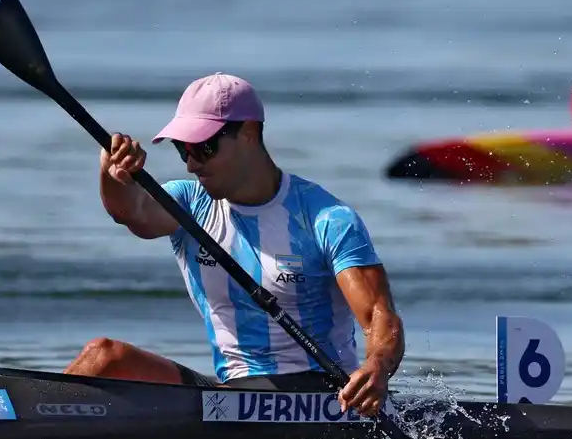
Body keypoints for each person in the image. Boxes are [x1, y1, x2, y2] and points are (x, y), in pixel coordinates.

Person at [61, 72, 406, 418]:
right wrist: (113, 174)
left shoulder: (326, 218)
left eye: (204, 148)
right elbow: (131, 211)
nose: (193, 163)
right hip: (232, 396)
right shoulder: (189, 206)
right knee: (104, 356)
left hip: (322, 396)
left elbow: (379, 315)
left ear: (249, 134)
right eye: (184, 151)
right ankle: (31, 419)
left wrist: (376, 365)